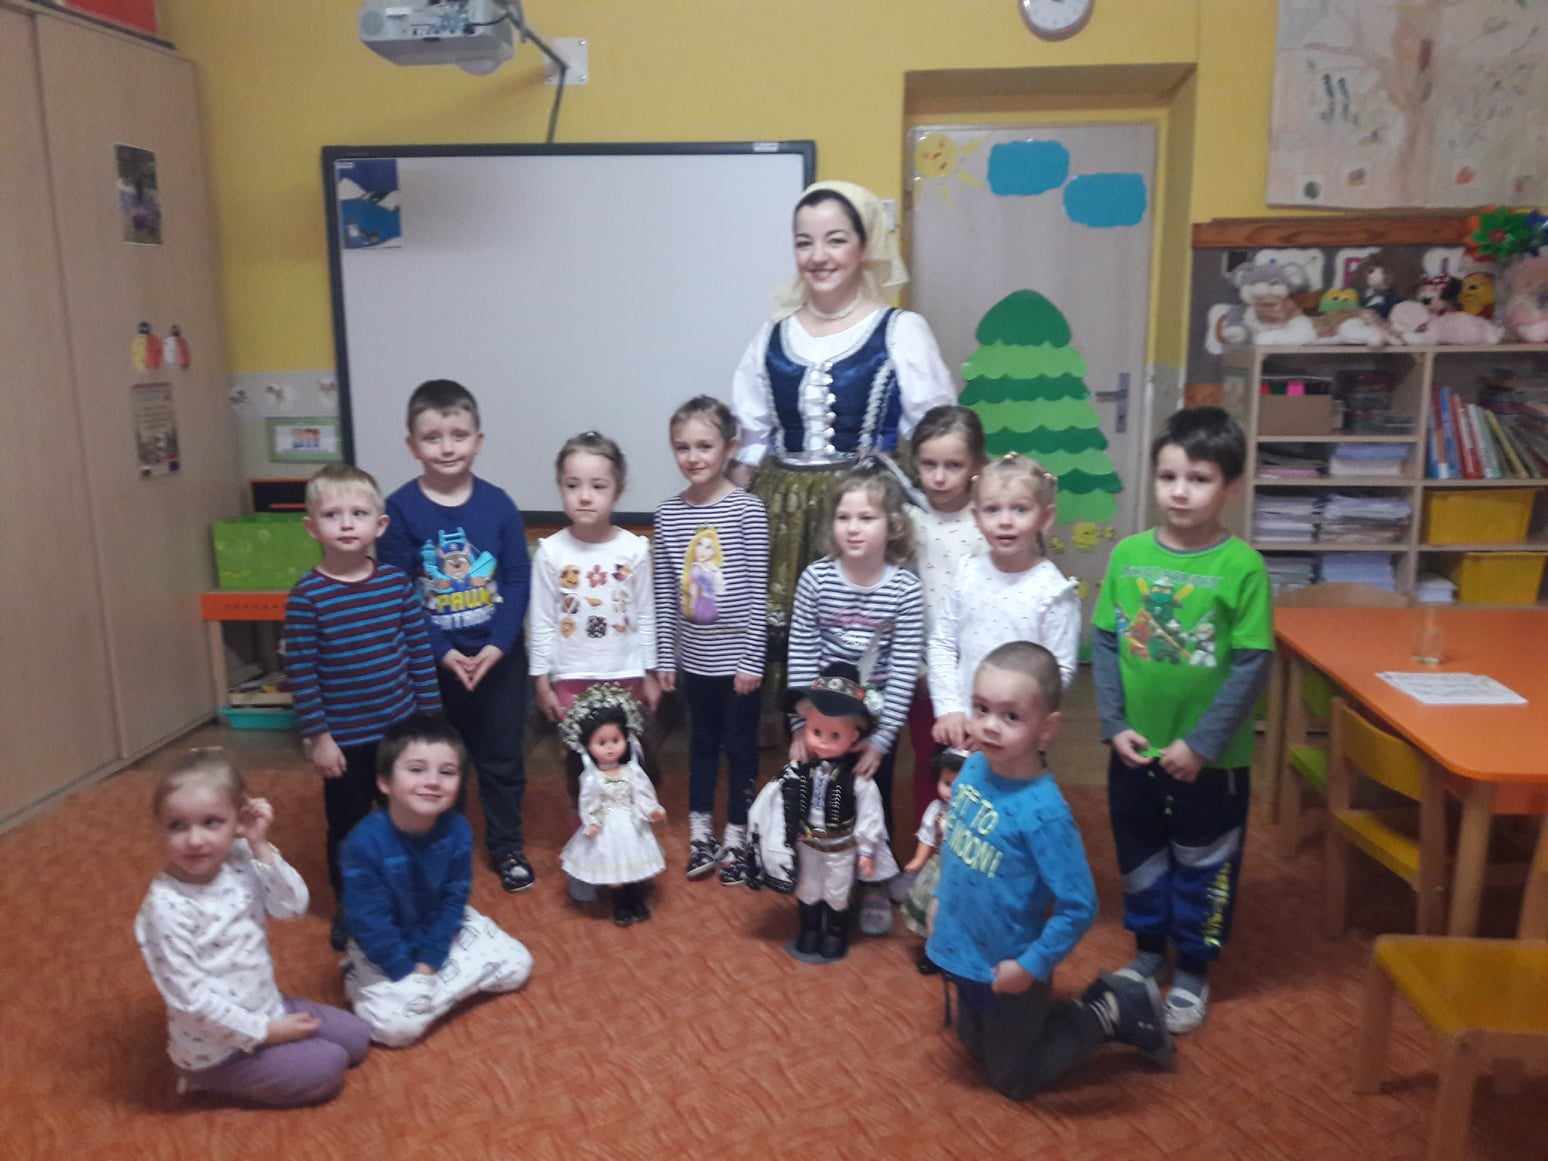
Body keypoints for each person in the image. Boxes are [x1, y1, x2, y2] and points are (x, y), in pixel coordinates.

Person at [727, 180, 955, 697]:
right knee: (788, 651)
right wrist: (724, 519)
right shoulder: (772, 334)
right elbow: (751, 439)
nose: (818, 256)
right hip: (781, 511)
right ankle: (796, 746)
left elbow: (938, 434)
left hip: (866, 507)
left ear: (863, 246)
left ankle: (866, 743)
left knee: (864, 651)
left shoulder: (901, 330)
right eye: (804, 242)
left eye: (835, 240)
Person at [1091, 407, 1273, 1035]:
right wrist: (1113, 723)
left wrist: (1201, 744)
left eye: (1199, 478)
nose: (1179, 491)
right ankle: (1148, 949)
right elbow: (1106, 643)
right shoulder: (1128, 555)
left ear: (1230, 487)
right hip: (1134, 751)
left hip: (1211, 763)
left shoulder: (1243, 567)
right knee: (1140, 854)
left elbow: (1251, 664)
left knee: (1205, 863)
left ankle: (1194, 964)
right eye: (1168, 476)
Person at [926, 643, 1172, 1101]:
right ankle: (1032, 1025)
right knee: (973, 1044)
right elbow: (958, 844)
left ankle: (1109, 1010)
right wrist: (940, 897)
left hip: (1011, 961)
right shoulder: (974, 768)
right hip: (963, 946)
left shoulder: (1044, 815)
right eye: (981, 709)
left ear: (1047, 729)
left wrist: (1030, 965)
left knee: (1012, 1079)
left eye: (1011, 716)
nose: (989, 726)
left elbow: (1079, 906)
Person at [134, 750, 371, 1106]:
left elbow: (292, 906)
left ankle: (279, 1037)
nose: (195, 840)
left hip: (267, 1004)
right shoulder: (165, 907)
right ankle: (202, 1078)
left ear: (238, 819)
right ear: (159, 829)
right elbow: (190, 1000)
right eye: (177, 826)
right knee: (330, 1064)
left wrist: (259, 844)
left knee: (357, 1037)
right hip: (220, 1050)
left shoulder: (240, 857)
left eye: (212, 822)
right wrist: (265, 1032)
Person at [378, 379, 534, 894]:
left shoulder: (499, 505)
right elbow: (399, 590)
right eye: (432, 437)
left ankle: (507, 845)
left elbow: (517, 579)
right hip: (431, 665)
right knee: (438, 762)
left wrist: (496, 647)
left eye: (458, 435)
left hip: (498, 660)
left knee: (502, 758)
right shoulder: (400, 510)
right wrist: (441, 651)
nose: (447, 448)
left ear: (478, 441)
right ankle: (444, 847)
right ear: (412, 446)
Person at [283, 463, 442, 948]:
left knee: (408, 822)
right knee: (349, 829)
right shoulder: (307, 597)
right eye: (333, 515)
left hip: (400, 734)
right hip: (344, 742)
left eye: (358, 513)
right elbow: (302, 673)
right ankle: (353, 908)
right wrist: (319, 738)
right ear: (312, 527)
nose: (347, 524)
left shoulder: (395, 585)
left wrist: (430, 724)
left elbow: (419, 654)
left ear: (380, 524)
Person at [339, 715, 533, 1048]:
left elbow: (454, 900)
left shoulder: (458, 830)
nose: (432, 781)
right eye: (416, 770)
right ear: (384, 782)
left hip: (438, 929)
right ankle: (359, 978)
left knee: (518, 965)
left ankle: (427, 997)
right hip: (384, 943)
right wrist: (404, 970)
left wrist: (429, 964)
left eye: (447, 772)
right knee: (395, 1030)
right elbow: (369, 921)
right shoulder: (362, 844)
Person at [651, 396, 769, 883]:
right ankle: (702, 832)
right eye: (683, 447)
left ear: (729, 448)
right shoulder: (667, 515)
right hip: (694, 660)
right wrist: (665, 656)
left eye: (704, 446)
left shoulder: (748, 509)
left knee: (740, 748)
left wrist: (752, 659)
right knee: (701, 745)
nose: (693, 457)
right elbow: (664, 594)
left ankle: (738, 834)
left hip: (739, 662)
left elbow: (759, 591)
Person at [786, 464, 924, 880]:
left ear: (893, 525)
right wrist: (800, 725)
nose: (853, 527)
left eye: (866, 517)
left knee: (872, 796)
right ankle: (815, 874)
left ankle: (874, 879)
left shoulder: (905, 589)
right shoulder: (816, 579)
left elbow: (903, 671)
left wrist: (882, 740)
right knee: (817, 795)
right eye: (844, 517)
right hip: (820, 716)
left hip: (873, 719)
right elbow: (801, 653)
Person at [744, 662, 900, 962]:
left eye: (835, 735)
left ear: (854, 736)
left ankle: (835, 933)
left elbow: (871, 817)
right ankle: (810, 928)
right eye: (816, 732)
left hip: (841, 845)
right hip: (807, 843)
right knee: (808, 886)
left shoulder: (859, 781)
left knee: (837, 889)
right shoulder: (800, 770)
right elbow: (774, 798)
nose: (824, 742)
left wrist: (867, 851)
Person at [927, 453, 1080, 755]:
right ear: (976, 518)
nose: (1005, 521)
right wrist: (950, 708)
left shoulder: (1054, 592)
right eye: (992, 509)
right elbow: (942, 643)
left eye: (1020, 509)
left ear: (1044, 518)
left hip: (1017, 735)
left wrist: (1007, 722)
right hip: (962, 728)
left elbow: (1059, 671)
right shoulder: (967, 572)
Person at [557, 686, 668, 926]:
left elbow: (642, 794)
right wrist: (592, 821)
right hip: (607, 826)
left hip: (631, 823)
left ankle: (636, 900)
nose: (610, 747)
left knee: (634, 864)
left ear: (625, 739)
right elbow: (589, 802)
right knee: (612, 868)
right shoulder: (592, 778)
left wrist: (651, 809)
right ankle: (621, 904)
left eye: (615, 740)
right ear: (588, 746)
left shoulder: (632, 771)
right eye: (601, 742)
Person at [899, 746, 966, 975]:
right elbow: (927, 837)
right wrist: (919, 859)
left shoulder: (975, 815)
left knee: (960, 917)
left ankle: (956, 956)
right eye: (947, 783)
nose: (951, 791)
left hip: (965, 875)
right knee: (934, 914)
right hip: (940, 870)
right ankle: (933, 952)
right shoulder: (937, 810)